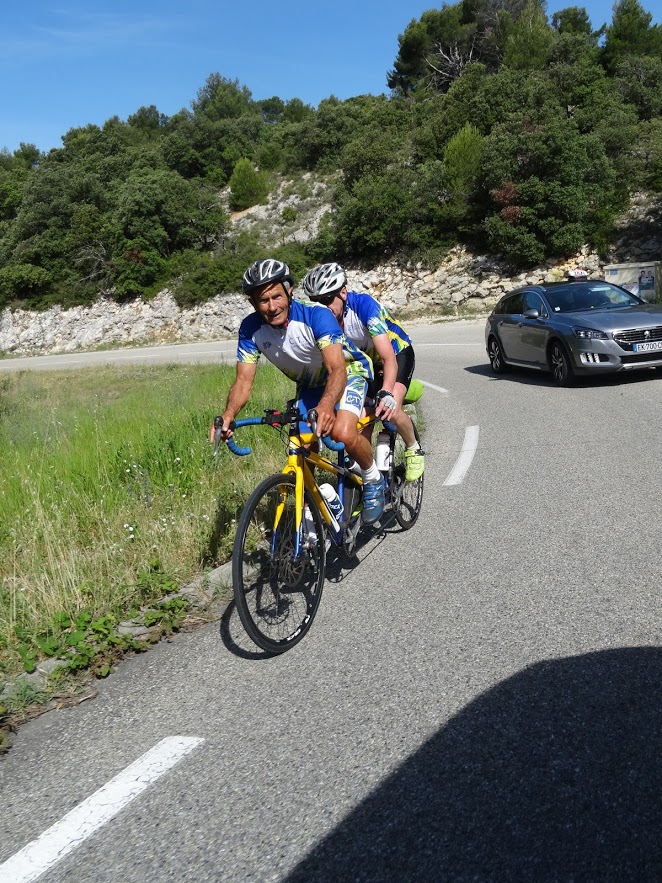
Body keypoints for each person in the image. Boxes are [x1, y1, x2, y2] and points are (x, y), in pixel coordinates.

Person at [219, 258, 386, 523]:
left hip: (348, 371)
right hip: (310, 384)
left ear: (289, 291)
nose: (272, 307)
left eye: (277, 296)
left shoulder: (315, 315)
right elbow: (243, 381)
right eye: (263, 300)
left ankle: (373, 477)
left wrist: (325, 406)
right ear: (253, 303)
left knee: (342, 431)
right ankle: (320, 506)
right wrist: (228, 414)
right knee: (300, 448)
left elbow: (336, 369)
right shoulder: (250, 329)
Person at [300, 262, 424, 482]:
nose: (323, 307)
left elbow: (388, 359)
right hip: (364, 364)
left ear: (343, 292)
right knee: (358, 426)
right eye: (317, 302)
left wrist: (386, 392)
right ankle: (368, 485)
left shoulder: (364, 306)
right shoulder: (319, 320)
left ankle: (413, 448)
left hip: (396, 354)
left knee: (389, 409)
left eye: (328, 299)